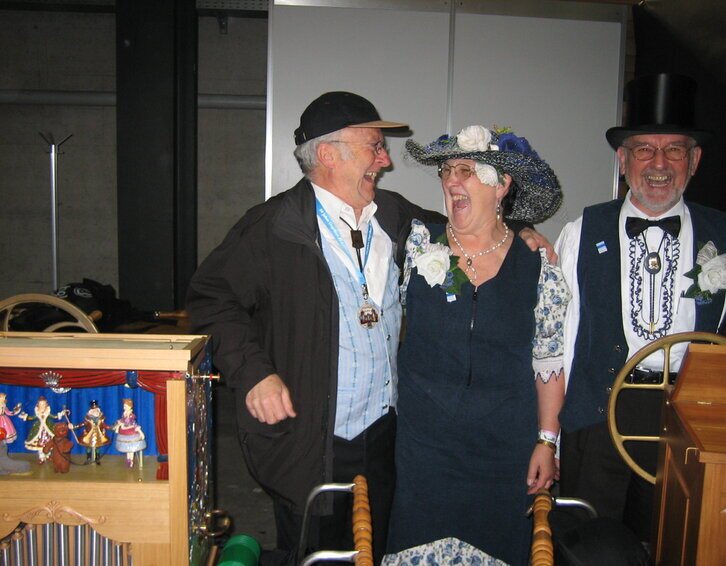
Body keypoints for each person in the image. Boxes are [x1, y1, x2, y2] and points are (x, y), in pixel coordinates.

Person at [186, 92, 551, 565]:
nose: (385, 160)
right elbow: (211, 297)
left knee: (377, 550)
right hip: (312, 437)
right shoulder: (273, 227)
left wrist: (520, 230)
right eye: (374, 147)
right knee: (318, 554)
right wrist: (254, 372)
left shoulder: (395, 216)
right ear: (327, 154)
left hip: (385, 436)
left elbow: (472, 228)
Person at [555, 73, 726, 543]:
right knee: (590, 542)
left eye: (674, 150)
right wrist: (553, 437)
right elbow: (561, 340)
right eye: (644, 149)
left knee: (673, 540)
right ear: (623, 161)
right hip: (597, 416)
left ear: (694, 161)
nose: (659, 164)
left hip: (688, 421)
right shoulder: (580, 233)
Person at [386, 124, 568, 566]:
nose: (451, 180)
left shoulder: (537, 266)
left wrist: (547, 442)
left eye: (465, 170)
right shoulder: (417, 244)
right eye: (446, 171)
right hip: (424, 448)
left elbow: (548, 362)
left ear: (502, 184)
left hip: (502, 449)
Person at [18, 395, 68, 464]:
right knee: (40, 446)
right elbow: (32, 418)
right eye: (40, 405)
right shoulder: (37, 414)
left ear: (46, 405)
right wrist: (25, 416)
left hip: (47, 430)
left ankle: (47, 455)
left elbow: (54, 416)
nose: (42, 406)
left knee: (49, 444)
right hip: (39, 431)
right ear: (38, 405)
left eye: (43, 405)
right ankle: (41, 457)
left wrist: (61, 413)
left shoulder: (47, 413)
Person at [70, 399, 110, 464]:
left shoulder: (101, 419)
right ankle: (88, 458)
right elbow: (82, 424)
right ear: (90, 411)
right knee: (88, 447)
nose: (95, 412)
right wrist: (74, 427)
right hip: (89, 435)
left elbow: (105, 426)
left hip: (98, 435)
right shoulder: (88, 419)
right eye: (93, 410)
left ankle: (97, 458)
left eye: (96, 410)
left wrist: (111, 427)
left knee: (97, 447)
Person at [112, 398, 146, 468]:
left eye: (125, 406)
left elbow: (133, 423)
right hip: (124, 429)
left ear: (130, 407)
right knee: (127, 448)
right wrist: (120, 422)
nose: (124, 407)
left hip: (130, 428)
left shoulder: (131, 415)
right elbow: (123, 420)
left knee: (131, 448)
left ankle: (131, 460)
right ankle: (128, 460)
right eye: (124, 406)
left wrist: (138, 429)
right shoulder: (124, 413)